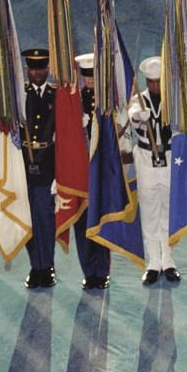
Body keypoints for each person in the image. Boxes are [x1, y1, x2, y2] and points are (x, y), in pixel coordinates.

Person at [128, 56, 181, 286]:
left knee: (169, 210)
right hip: (147, 159)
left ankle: (168, 260)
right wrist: (139, 118)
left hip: (169, 158)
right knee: (149, 211)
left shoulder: (174, 101)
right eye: (150, 82)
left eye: (158, 82)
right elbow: (133, 114)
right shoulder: (139, 100)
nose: (154, 87)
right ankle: (153, 262)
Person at [74, 53, 111, 291]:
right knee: (81, 221)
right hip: (80, 171)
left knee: (101, 219)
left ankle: (103, 270)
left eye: (92, 76)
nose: (89, 81)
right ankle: (88, 270)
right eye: (85, 77)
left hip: (102, 169)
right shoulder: (74, 101)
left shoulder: (107, 101)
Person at [21, 47, 57, 289]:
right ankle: (35, 266)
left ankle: (48, 266)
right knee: (28, 220)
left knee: (45, 219)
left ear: (47, 69)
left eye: (41, 68)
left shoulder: (57, 96)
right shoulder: (18, 94)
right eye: (33, 68)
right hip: (22, 167)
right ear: (27, 69)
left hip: (48, 166)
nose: (37, 73)